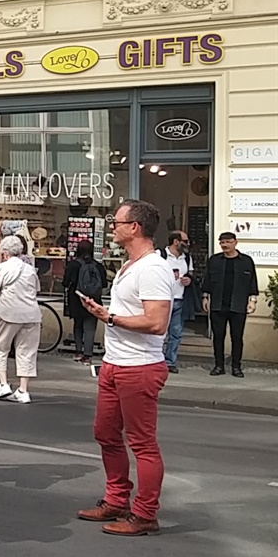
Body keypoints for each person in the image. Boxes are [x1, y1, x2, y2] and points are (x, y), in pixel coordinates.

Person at [76, 199, 172, 536]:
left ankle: (145, 514)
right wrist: (105, 313)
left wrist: (110, 317)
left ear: (135, 228)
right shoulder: (131, 265)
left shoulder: (153, 269)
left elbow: (157, 322)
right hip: (114, 364)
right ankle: (116, 499)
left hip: (140, 366)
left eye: (116, 222)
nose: (111, 227)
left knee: (142, 443)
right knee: (105, 433)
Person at [0, 236, 40, 403]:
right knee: (27, 351)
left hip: (7, 312)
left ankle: (3, 384)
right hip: (31, 313)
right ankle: (23, 390)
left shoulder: (1, 268)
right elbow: (36, 289)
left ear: (5, 253)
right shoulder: (30, 269)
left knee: (0, 348)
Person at [202, 232, 259, 377]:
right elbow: (207, 280)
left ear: (235, 242)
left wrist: (252, 301)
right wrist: (205, 297)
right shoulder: (214, 260)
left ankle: (236, 367)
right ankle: (219, 366)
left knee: (237, 337)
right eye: (222, 242)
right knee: (218, 336)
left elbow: (252, 282)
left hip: (238, 305)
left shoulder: (246, 261)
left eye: (228, 242)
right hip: (218, 305)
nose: (225, 245)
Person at [63, 240, 104, 366]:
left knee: (78, 325)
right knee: (90, 327)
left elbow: (65, 282)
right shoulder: (98, 265)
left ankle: (78, 351)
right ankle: (87, 355)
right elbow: (104, 283)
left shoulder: (73, 265)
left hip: (76, 298)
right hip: (93, 299)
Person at [160, 231, 194, 373]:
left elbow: (190, 274)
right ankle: (157, 361)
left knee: (176, 332)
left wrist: (188, 279)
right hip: (162, 299)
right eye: (185, 241)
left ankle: (170, 362)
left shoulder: (186, 258)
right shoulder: (160, 255)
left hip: (179, 298)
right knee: (160, 332)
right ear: (175, 241)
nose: (188, 244)